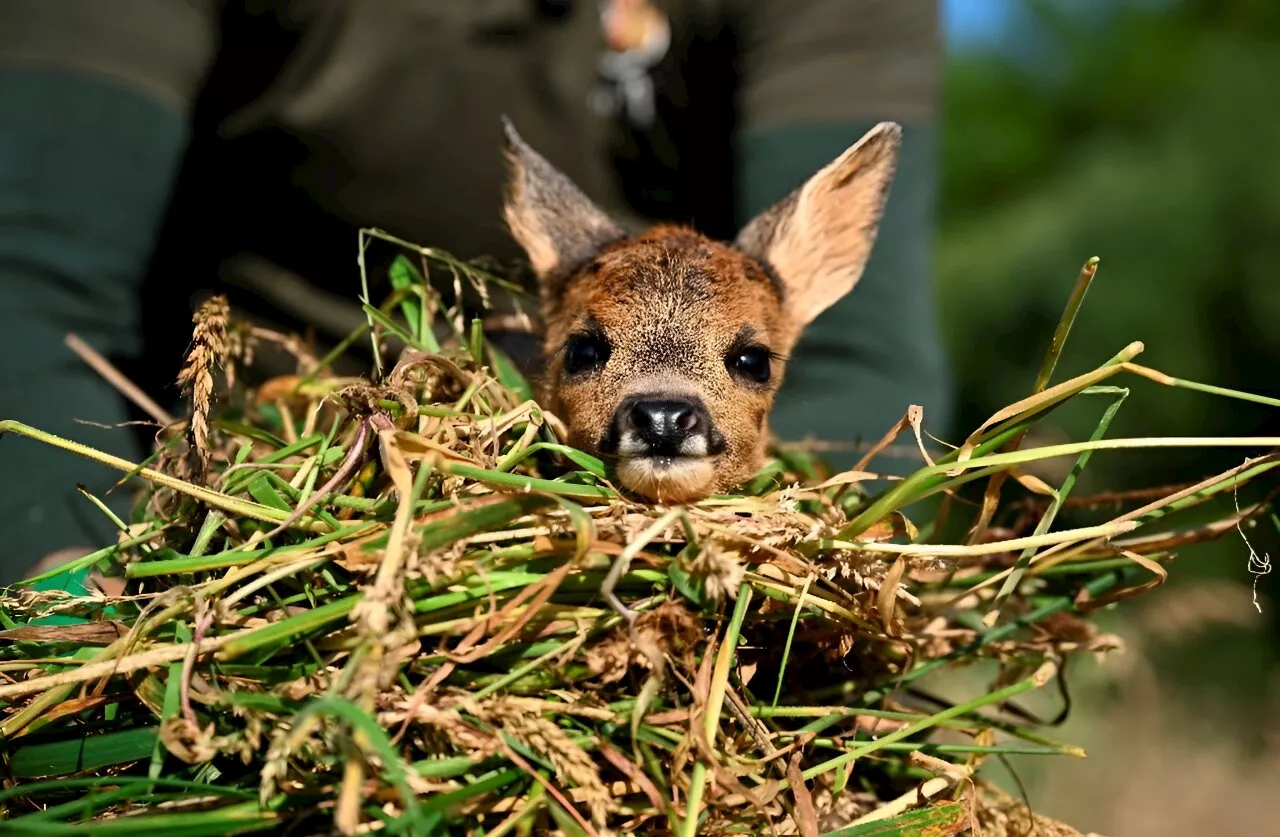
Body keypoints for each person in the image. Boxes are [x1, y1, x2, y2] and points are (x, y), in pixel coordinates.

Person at [0, 0, 952, 582]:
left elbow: (868, 377)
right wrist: (70, 573)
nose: (668, 409)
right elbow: (28, 280)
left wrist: (781, 583)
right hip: (247, 501)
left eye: (743, 361)